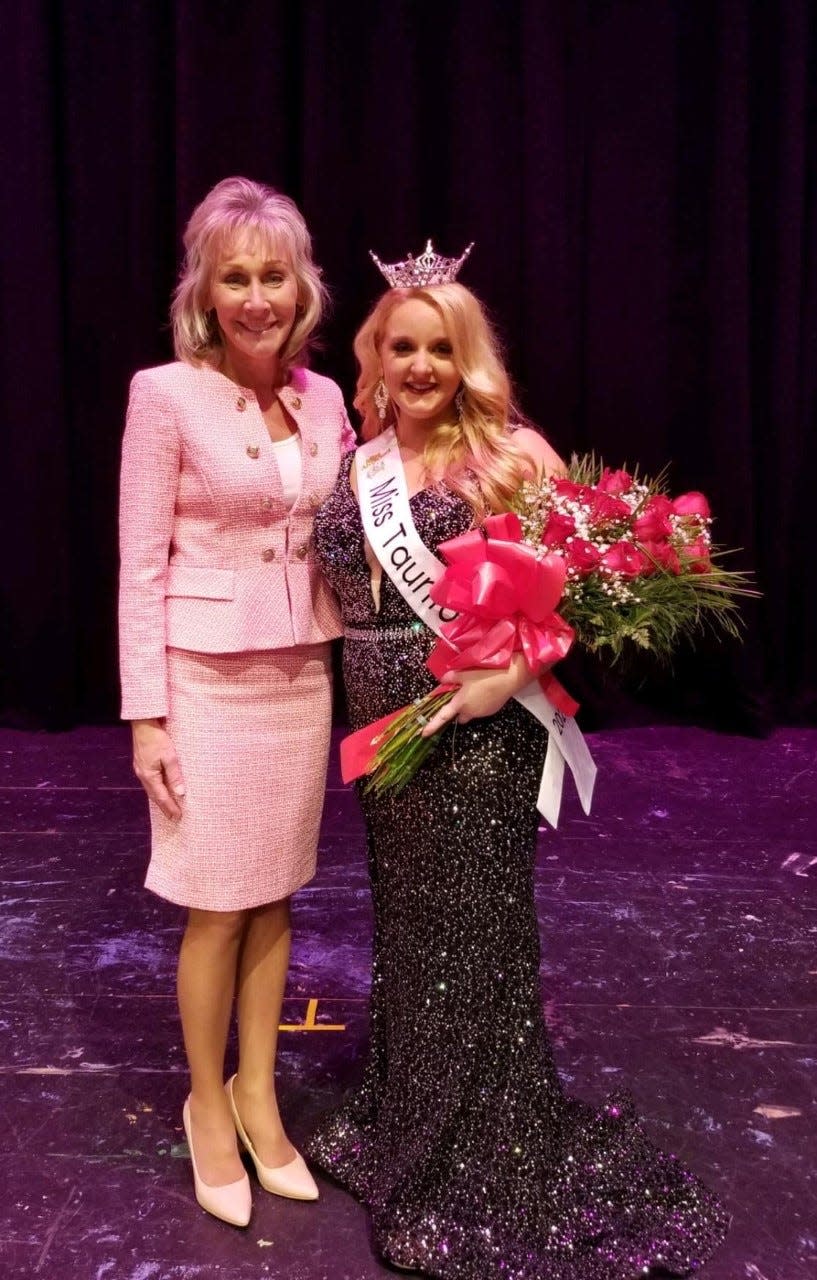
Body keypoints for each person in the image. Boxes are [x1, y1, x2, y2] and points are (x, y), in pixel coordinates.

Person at [308, 243, 729, 1276]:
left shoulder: (510, 453)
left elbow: (570, 598)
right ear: (376, 354)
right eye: (400, 345)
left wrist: (508, 676)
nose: (418, 366)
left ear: (465, 359)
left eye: (438, 349)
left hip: (475, 723)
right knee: (408, 922)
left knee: (477, 930)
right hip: (376, 710)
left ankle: (479, 1146)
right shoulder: (358, 458)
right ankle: (410, 1116)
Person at [118, 176, 355, 1227]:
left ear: (299, 285)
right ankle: (206, 1101)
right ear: (205, 291)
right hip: (205, 680)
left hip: (301, 671)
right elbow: (138, 566)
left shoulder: (327, 398)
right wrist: (146, 715)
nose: (256, 295)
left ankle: (260, 1092)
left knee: (275, 894)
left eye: (273, 274)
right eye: (235, 277)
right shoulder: (162, 392)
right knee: (217, 903)